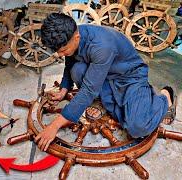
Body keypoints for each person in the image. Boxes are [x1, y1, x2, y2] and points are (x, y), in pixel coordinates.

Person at [34, 13, 176, 151]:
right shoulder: (71, 34)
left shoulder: (101, 46)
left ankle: (164, 97)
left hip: (129, 77)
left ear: (76, 37)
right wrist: (64, 89)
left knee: (138, 127)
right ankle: (102, 100)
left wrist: (54, 126)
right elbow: (70, 62)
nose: (59, 55)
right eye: (58, 51)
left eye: (63, 50)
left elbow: (89, 89)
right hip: (104, 74)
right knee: (76, 69)